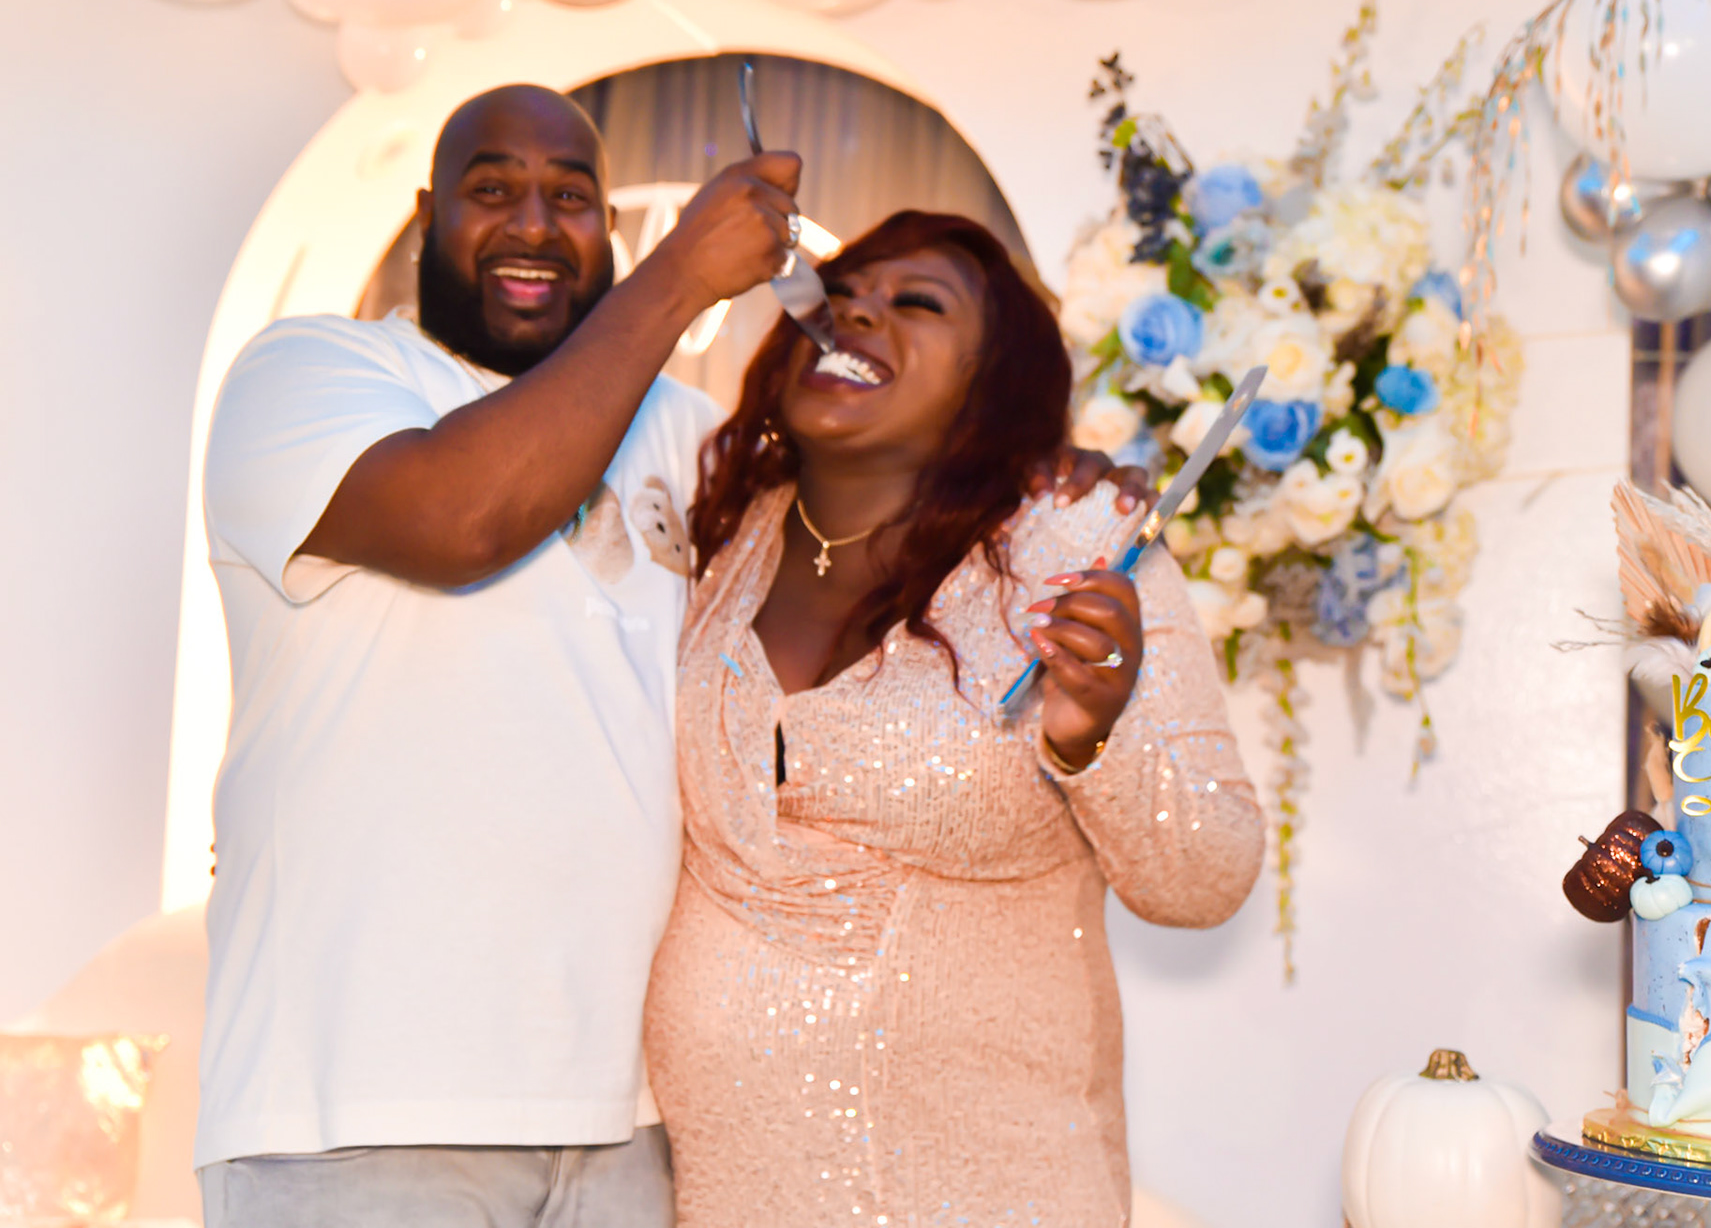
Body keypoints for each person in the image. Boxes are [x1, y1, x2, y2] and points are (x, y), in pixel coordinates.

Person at [193, 85, 1139, 1228]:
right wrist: (682, 276)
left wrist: (1048, 475)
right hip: (357, 1108)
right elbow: (462, 521)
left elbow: (886, 484)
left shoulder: (684, 434)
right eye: (492, 189)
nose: (533, 223)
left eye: (570, 198)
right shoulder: (310, 375)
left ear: (608, 230)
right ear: (426, 214)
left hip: (625, 1125)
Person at [645, 211, 1266, 1226]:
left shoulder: (1080, 541)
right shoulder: (722, 533)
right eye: (843, 293)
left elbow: (1208, 876)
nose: (857, 312)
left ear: (991, 381)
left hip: (996, 1193)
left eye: (917, 303)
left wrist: (1090, 735)